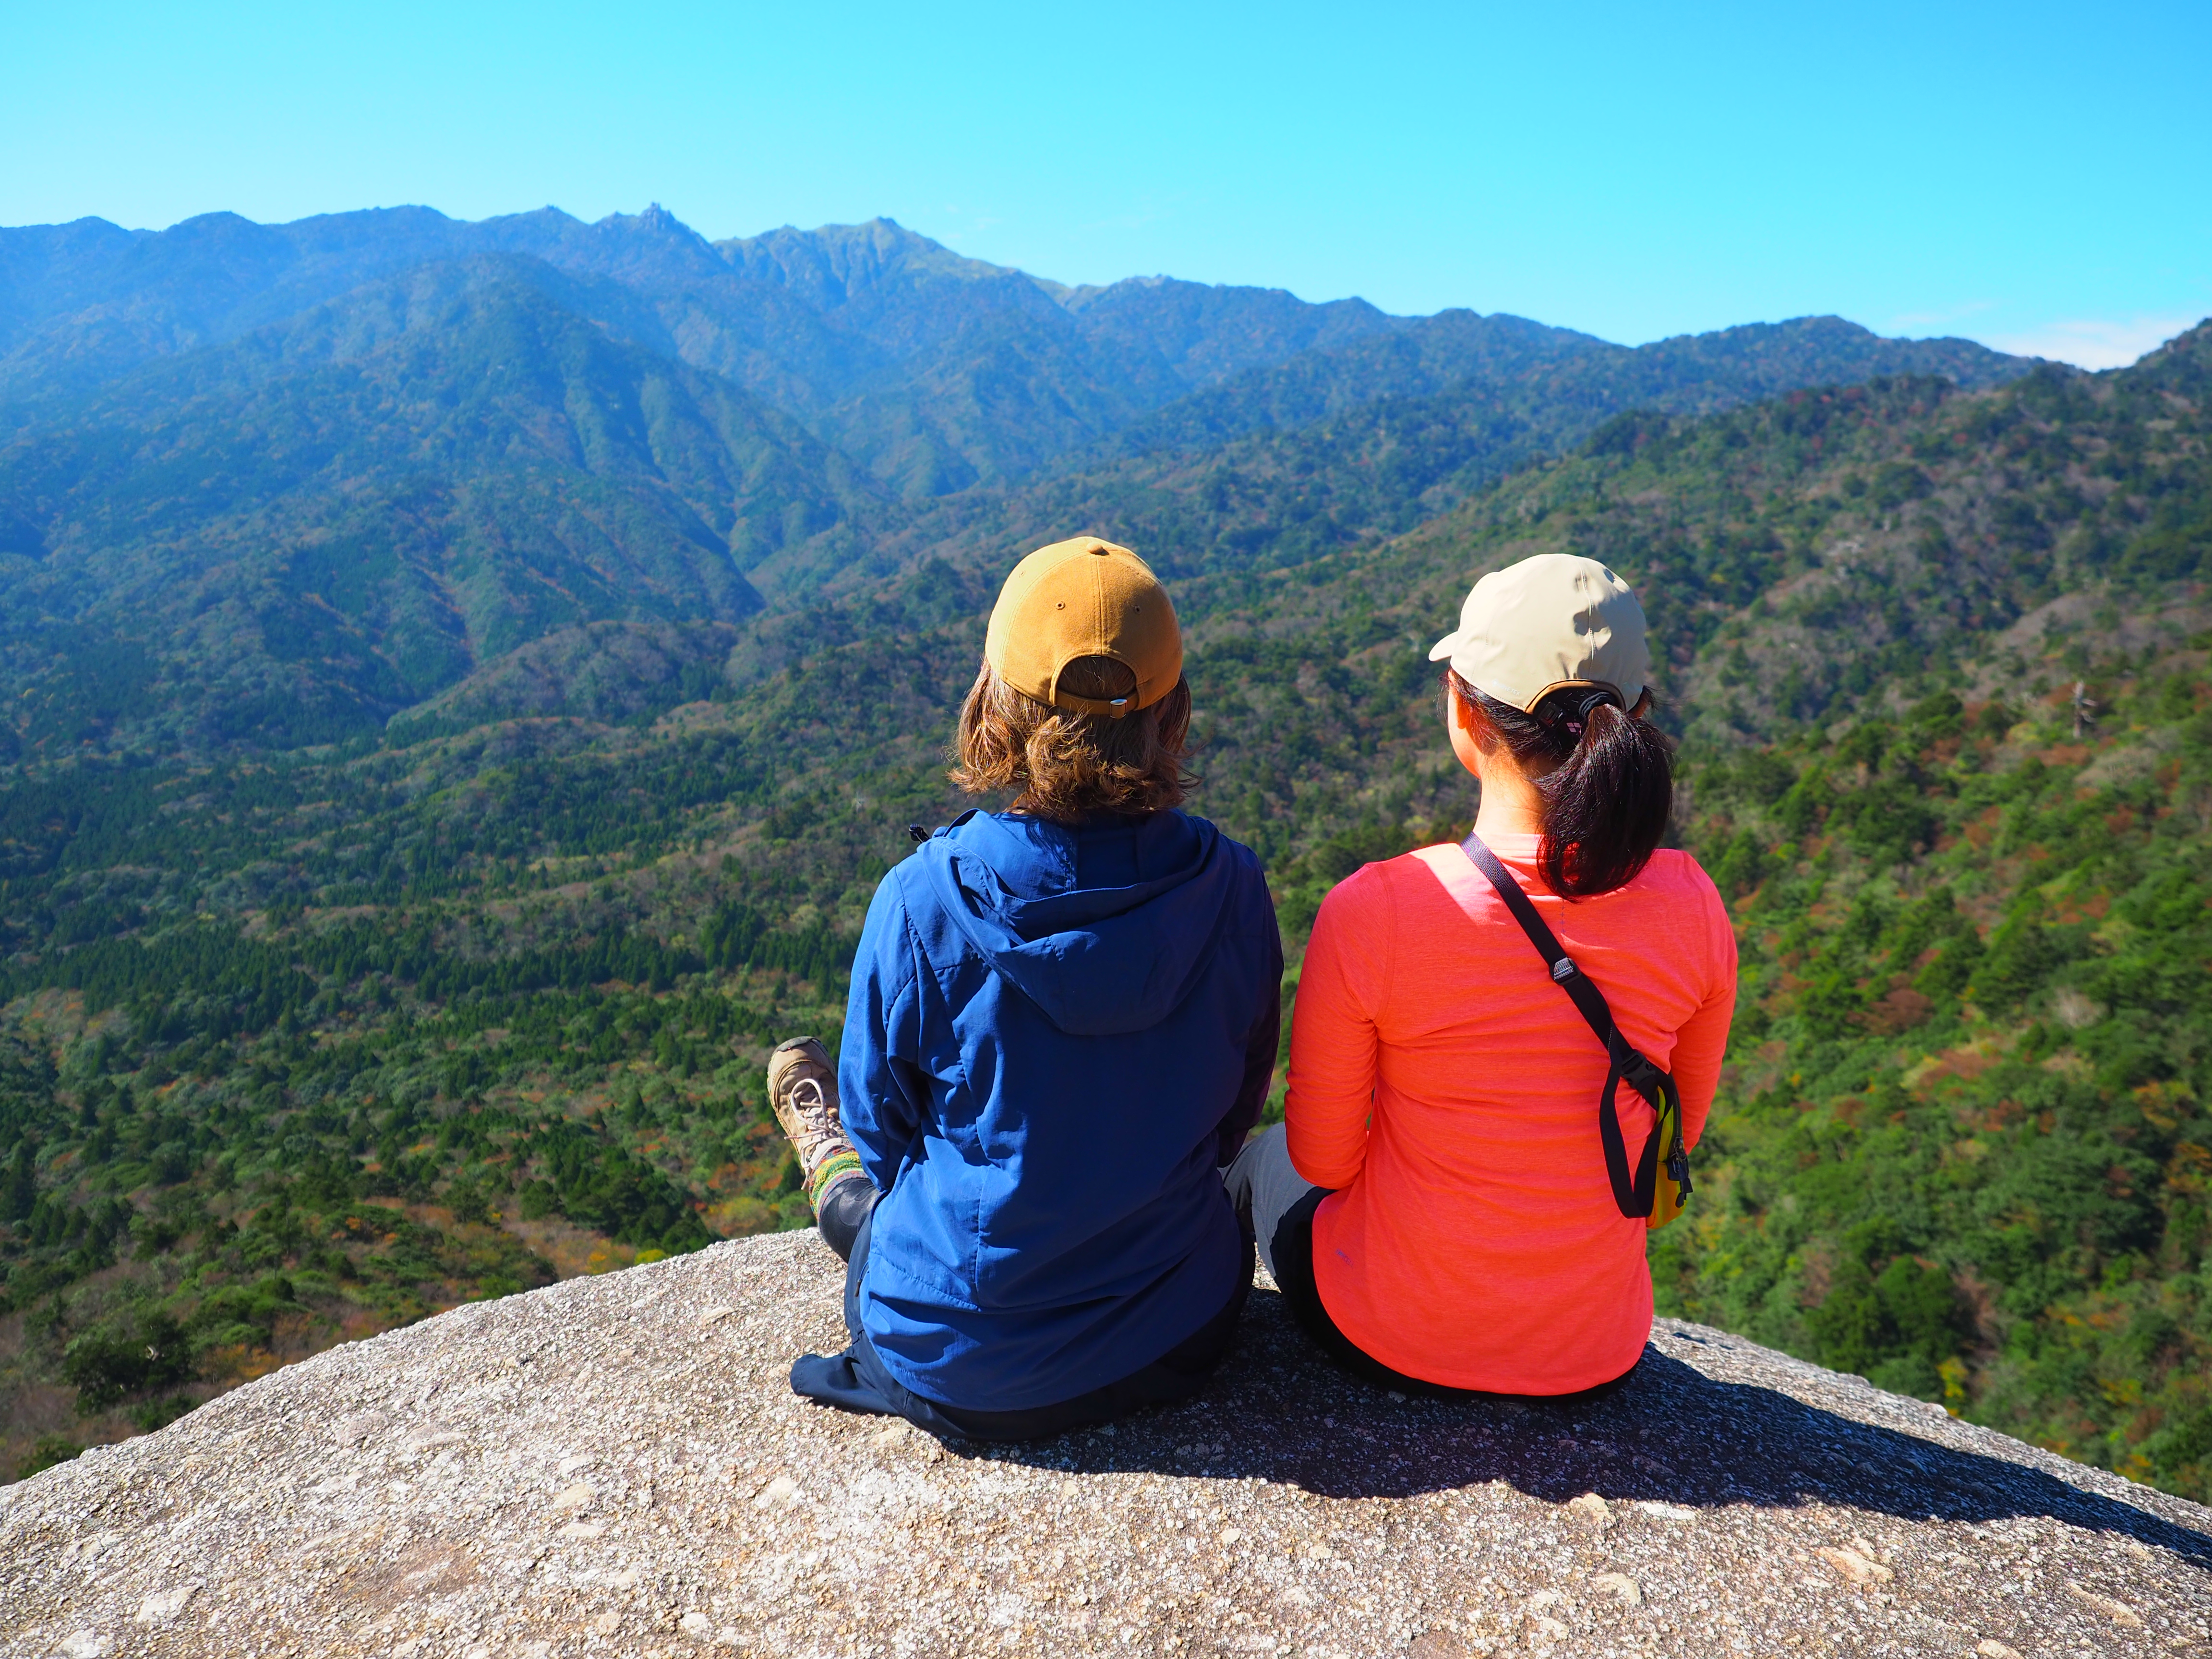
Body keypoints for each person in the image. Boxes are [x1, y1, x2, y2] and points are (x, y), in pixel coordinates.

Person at [768, 536, 1282, 1441]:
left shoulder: (922, 901)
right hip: (1176, 1331)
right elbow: (1232, 1115)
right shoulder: (1232, 887)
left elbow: (889, 1136)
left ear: (995, 704)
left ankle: (824, 1169)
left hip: (967, 1364)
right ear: (1173, 712)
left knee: (873, 1197)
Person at [1227, 552, 1737, 1401]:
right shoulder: (1695, 905)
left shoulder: (1381, 908)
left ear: (1464, 713)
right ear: (1637, 716)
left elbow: (1324, 1156)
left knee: (1263, 1158)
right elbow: (1670, 1138)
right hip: (1596, 1350)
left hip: (1385, 1330)